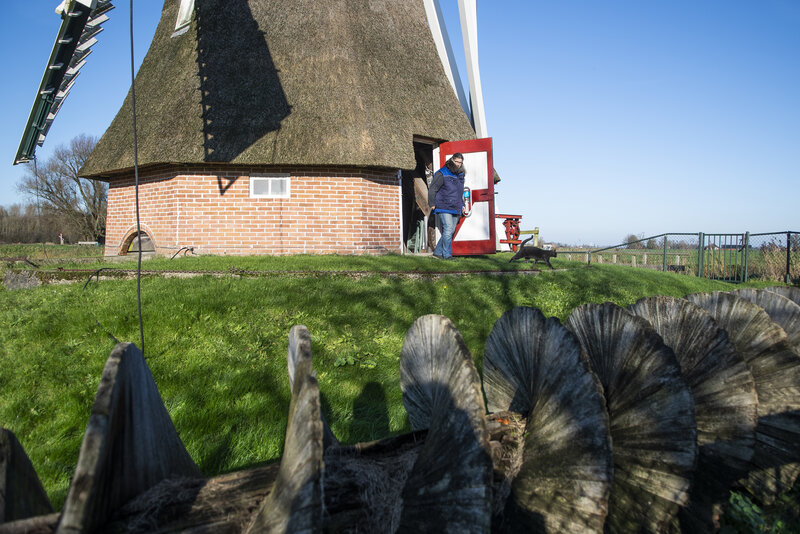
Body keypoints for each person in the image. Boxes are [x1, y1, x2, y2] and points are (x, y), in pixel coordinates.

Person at [428, 153, 465, 259]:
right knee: (448, 229)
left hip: (456, 206)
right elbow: (433, 188)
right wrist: (432, 203)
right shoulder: (442, 173)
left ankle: (437, 253)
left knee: (450, 231)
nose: (458, 164)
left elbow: (459, 192)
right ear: (452, 160)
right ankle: (447, 255)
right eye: (457, 162)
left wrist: (462, 204)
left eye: (460, 163)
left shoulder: (460, 174)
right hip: (443, 205)